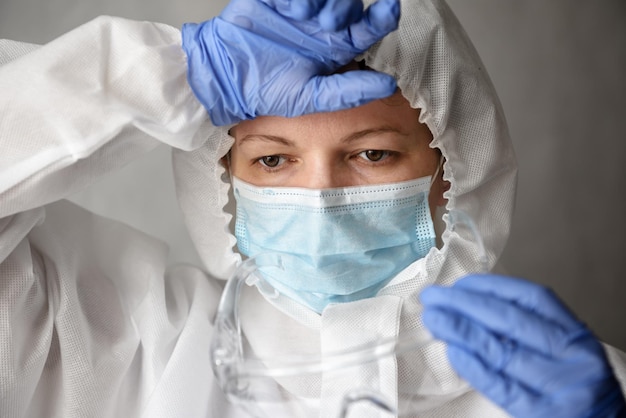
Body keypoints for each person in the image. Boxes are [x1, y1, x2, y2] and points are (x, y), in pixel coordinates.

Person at [0, 0, 624, 417]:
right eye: (273, 160)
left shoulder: (570, 390)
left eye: (374, 154)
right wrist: (170, 75)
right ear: (223, 179)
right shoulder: (121, 341)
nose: (321, 197)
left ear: (453, 170)